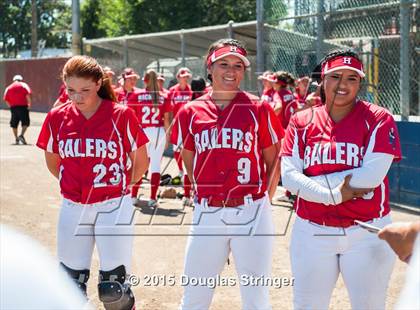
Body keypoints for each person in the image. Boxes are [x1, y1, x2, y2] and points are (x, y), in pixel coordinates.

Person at [281, 50, 402, 310]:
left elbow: (370, 176)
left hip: (366, 230)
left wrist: (310, 183)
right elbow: (289, 178)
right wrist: (334, 194)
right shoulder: (301, 121)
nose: (343, 84)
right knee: (306, 305)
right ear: (322, 80)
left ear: (360, 84)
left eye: (352, 78)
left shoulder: (379, 118)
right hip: (312, 230)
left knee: (370, 306)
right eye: (335, 76)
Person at [176, 38, 284, 310]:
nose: (231, 70)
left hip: (251, 209)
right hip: (208, 211)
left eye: (238, 65)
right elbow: (188, 157)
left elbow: (274, 159)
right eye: (223, 63)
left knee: (256, 298)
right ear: (209, 67)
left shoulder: (259, 107)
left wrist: (263, 203)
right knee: (194, 295)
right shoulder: (190, 111)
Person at [36, 55, 149, 310]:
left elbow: (140, 163)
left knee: (114, 290)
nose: (78, 97)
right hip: (74, 206)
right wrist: (76, 183)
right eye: (71, 90)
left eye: (85, 90)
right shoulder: (57, 117)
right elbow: (54, 162)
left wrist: (115, 188)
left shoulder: (120, 115)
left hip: (113, 205)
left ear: (99, 83)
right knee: (69, 285)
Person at [130, 69, 171, 207]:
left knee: (139, 165)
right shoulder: (162, 97)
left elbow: (132, 118)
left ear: (145, 80)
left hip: (143, 131)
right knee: (155, 166)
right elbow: (166, 120)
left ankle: (134, 197)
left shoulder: (137, 95)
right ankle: (153, 198)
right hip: (158, 131)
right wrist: (167, 137)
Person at [168, 67, 193, 186]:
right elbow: (169, 109)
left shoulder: (191, 91)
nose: (185, 79)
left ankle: (189, 171)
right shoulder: (173, 91)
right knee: (176, 149)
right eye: (183, 77)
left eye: (187, 77)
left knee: (188, 148)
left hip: (189, 125)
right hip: (176, 123)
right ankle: (180, 170)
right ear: (178, 78)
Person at [3, 74, 32, 144]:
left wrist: (10, 106)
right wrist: (29, 104)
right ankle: (21, 135)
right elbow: (28, 94)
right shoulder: (24, 85)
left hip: (13, 108)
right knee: (25, 122)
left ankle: (16, 138)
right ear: (21, 79)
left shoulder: (9, 87)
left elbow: (5, 99)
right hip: (23, 107)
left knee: (14, 123)